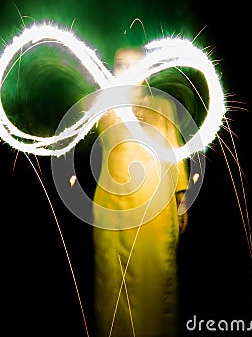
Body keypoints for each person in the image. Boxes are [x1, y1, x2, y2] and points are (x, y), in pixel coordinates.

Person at [92, 47, 189, 337]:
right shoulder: (104, 106)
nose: (126, 71)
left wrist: (181, 199)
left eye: (134, 66)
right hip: (112, 209)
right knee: (113, 287)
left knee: (154, 283)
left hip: (155, 210)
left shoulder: (163, 107)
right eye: (120, 65)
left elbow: (175, 152)